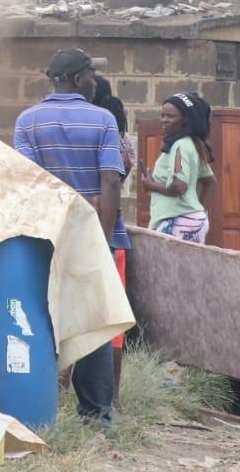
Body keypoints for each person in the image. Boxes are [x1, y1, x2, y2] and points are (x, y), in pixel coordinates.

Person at [14, 48, 126, 427]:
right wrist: (105, 240)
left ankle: (40, 413)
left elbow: (31, 184)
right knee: (93, 323)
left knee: (43, 319)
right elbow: (110, 180)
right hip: (92, 234)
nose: (96, 82)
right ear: (78, 79)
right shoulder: (104, 120)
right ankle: (95, 416)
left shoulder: (27, 121)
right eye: (92, 75)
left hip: (45, 236)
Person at [91, 75, 135, 404]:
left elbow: (109, 184)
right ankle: (114, 395)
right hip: (115, 235)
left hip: (95, 234)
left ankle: (65, 389)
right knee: (113, 318)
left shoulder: (94, 135)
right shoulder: (124, 141)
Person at [140, 93, 217, 244]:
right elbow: (211, 182)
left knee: (167, 268)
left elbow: (179, 186)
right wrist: (198, 212)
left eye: (171, 116)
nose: (164, 120)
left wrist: (150, 185)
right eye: (162, 115)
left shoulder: (179, 145)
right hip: (190, 220)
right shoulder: (193, 144)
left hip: (176, 221)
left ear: (185, 121)